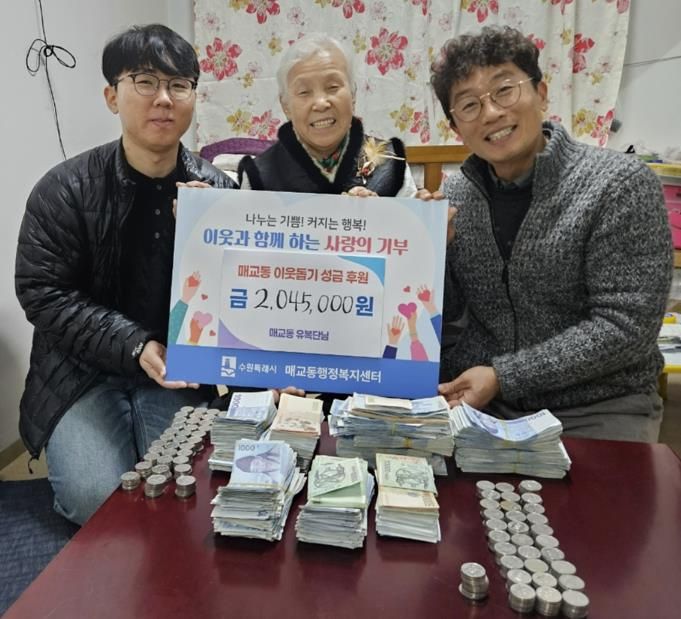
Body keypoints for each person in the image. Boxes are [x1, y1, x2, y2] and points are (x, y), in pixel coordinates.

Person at [15, 24, 237, 525]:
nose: (164, 98)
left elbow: (238, 295)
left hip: (175, 373)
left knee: (187, 487)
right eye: (145, 81)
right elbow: (42, 292)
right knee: (96, 499)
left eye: (178, 85)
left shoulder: (217, 192)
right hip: (79, 373)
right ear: (112, 96)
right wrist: (135, 345)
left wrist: (203, 238)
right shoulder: (64, 189)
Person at [430, 25, 672, 442]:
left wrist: (504, 376)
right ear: (456, 127)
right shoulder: (455, 196)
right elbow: (447, 315)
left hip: (597, 405)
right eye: (469, 105)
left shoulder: (619, 184)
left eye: (504, 90)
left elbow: (626, 328)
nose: (491, 113)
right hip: (484, 402)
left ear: (541, 94)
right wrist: (432, 253)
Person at [237, 32, 418, 197]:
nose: (321, 103)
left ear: (353, 95)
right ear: (286, 106)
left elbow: (412, 222)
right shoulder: (258, 175)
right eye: (304, 92)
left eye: (332, 87)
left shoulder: (391, 164)